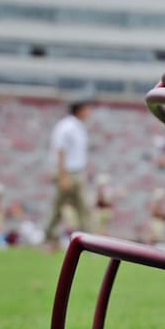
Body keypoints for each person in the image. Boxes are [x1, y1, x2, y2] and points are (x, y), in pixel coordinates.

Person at [44, 98, 93, 246]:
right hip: (68, 172)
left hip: (77, 172)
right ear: (79, 110)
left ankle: (87, 239)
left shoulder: (78, 126)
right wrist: (63, 176)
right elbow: (60, 151)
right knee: (59, 207)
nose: (89, 112)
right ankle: (49, 236)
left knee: (83, 206)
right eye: (87, 108)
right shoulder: (67, 126)